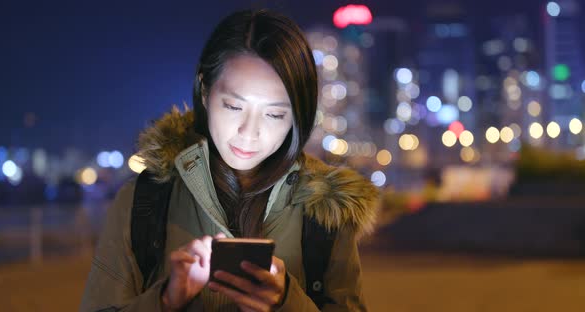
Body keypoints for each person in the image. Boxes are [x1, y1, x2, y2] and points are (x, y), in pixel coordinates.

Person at [80, 9, 378, 312]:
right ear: (205, 92)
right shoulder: (146, 198)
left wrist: (287, 301)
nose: (249, 133)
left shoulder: (326, 207)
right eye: (234, 106)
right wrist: (166, 300)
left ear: (297, 118)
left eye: (274, 114)